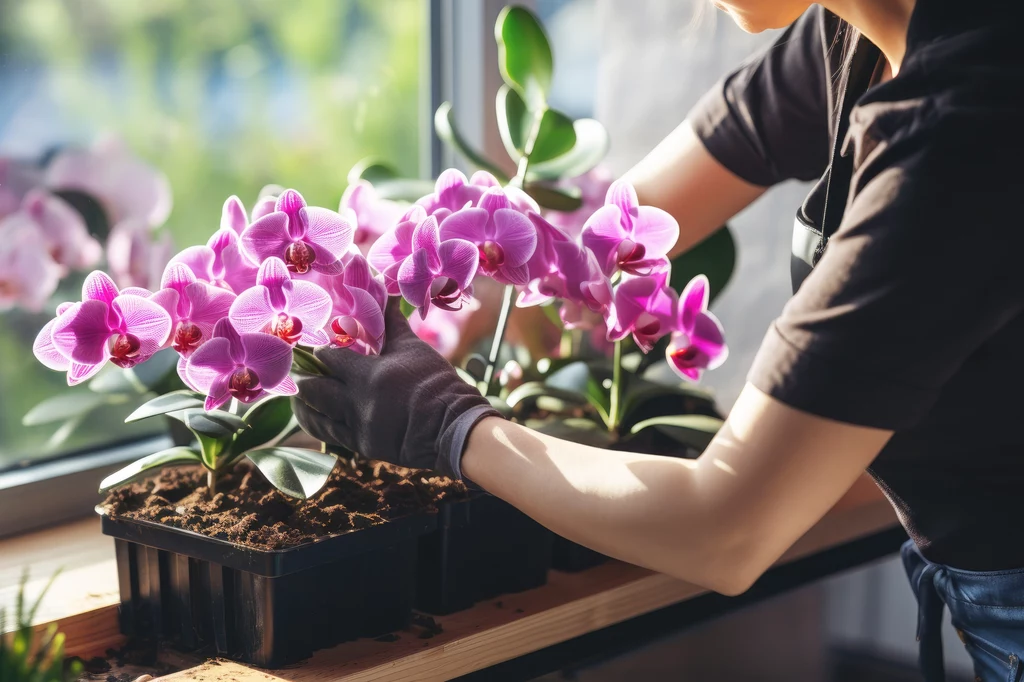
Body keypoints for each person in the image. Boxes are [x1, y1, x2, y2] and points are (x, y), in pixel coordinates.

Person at [294, 1, 1024, 679]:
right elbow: (628, 220)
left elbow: (727, 530)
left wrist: (446, 425)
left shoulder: (968, 116)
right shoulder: (866, 29)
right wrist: (487, 272)